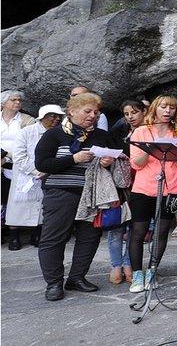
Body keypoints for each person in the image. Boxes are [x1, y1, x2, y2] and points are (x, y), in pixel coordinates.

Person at [34, 92, 114, 301]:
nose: (92, 115)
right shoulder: (54, 134)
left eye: (96, 112)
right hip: (61, 193)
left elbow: (116, 160)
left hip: (91, 195)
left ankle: (77, 278)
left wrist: (108, 162)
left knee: (90, 238)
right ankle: (53, 283)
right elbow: (42, 164)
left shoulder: (101, 136)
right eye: (87, 111)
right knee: (54, 238)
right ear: (71, 111)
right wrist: (74, 158)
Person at [126, 95, 177, 294]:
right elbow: (137, 163)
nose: (167, 111)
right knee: (138, 232)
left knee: (162, 232)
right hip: (144, 188)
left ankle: (153, 270)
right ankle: (137, 274)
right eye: (163, 107)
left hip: (170, 187)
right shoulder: (142, 131)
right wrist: (151, 148)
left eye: (171, 108)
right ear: (155, 109)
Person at [7, 104, 64, 250]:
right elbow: (19, 156)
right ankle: (14, 237)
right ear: (43, 117)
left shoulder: (59, 133)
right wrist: (35, 171)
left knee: (41, 207)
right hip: (25, 175)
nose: (56, 119)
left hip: (48, 174)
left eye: (59, 116)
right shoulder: (26, 132)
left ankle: (37, 235)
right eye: (53, 116)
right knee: (19, 207)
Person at [105, 100, 146, 285]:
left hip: (141, 183)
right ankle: (116, 264)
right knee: (116, 225)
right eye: (127, 113)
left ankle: (129, 264)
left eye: (134, 112)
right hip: (119, 184)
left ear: (144, 112)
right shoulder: (118, 132)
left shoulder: (150, 131)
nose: (130, 117)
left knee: (135, 227)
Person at [2, 89, 35, 243]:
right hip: (2, 166)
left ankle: (24, 234)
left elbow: (31, 143)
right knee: (3, 200)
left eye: (19, 100)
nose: (17, 103)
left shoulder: (28, 120)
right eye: (13, 100)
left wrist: (6, 155)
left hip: (20, 164)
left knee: (20, 200)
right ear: (3, 103)